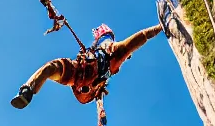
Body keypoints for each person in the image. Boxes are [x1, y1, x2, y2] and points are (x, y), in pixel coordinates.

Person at [11, 22, 162, 109]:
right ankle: (27, 90)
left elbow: (141, 36)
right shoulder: (94, 52)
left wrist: (161, 26)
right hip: (78, 73)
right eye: (104, 42)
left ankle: (29, 89)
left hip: (89, 89)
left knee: (118, 53)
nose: (108, 45)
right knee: (51, 68)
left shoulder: (117, 53)